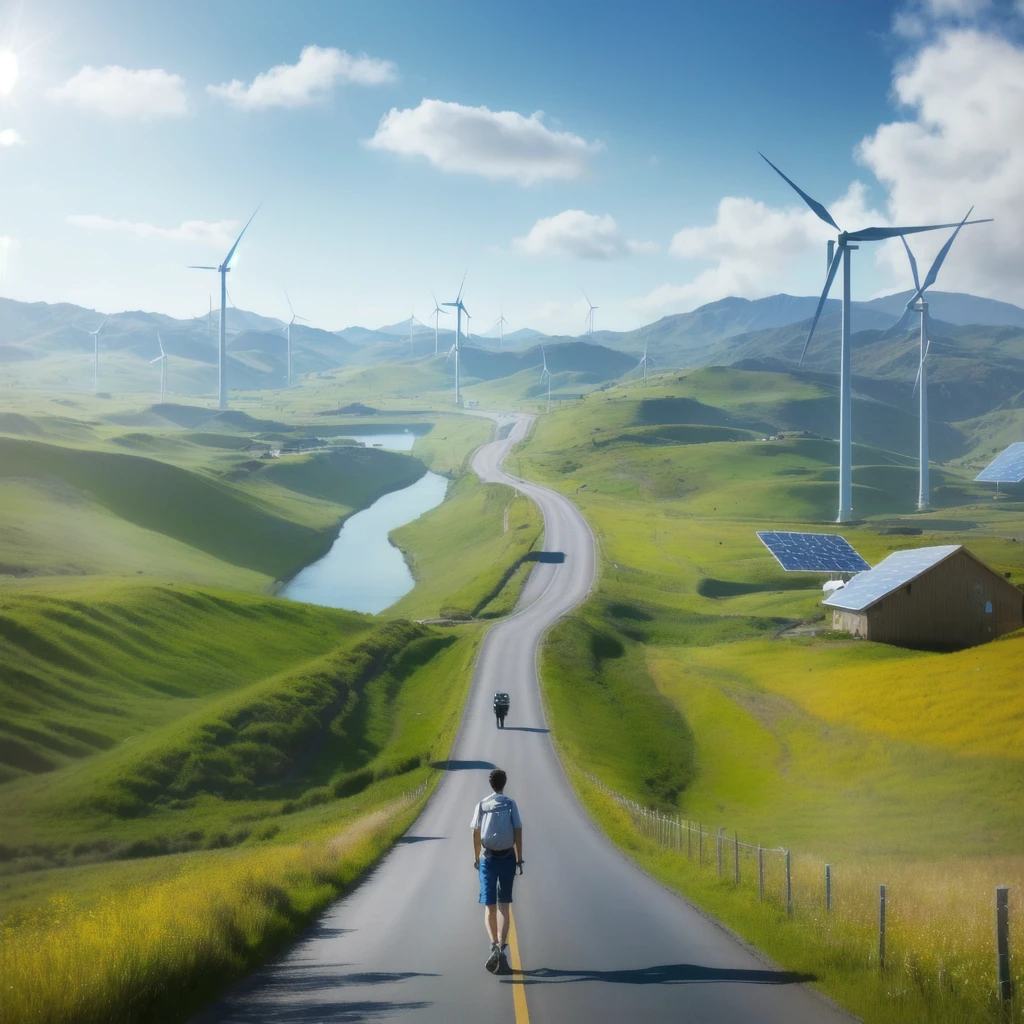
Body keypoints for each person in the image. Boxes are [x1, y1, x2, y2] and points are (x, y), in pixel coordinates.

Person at [471, 767, 523, 974]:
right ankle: (501, 948)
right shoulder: (510, 804)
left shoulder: (482, 805)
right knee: (504, 904)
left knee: (489, 905)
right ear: (504, 783)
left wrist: (476, 857)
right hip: (508, 858)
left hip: (488, 858)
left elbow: (475, 833)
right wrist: (520, 858)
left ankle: (494, 945)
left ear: (490, 784)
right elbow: (518, 830)